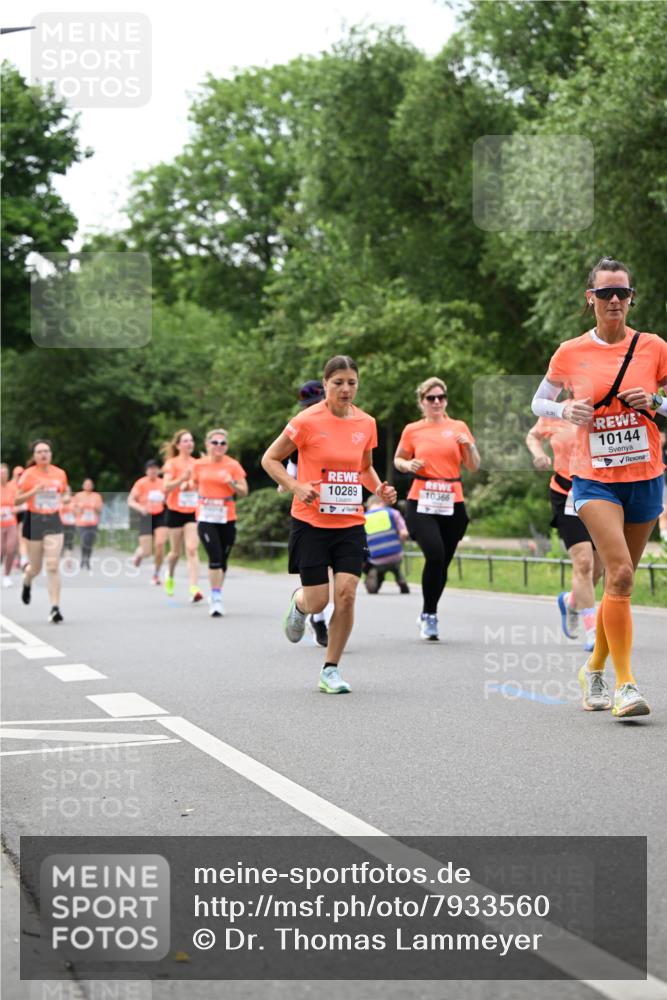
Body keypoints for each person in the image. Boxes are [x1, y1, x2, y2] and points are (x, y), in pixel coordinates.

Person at [531, 255, 667, 718]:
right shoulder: (570, 352)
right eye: (606, 293)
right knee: (623, 573)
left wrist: (656, 401)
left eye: (622, 293)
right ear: (590, 298)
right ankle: (626, 685)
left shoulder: (653, 347)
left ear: (632, 298)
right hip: (594, 478)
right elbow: (539, 400)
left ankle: (592, 668)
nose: (614, 300)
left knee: (617, 585)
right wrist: (563, 412)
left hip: (646, 475)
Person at [261, 355, 396, 694]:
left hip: (350, 521)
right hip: (311, 522)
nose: (346, 389)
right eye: (338, 383)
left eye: (352, 382)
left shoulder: (367, 423)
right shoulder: (306, 421)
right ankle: (301, 603)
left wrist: (378, 489)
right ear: (325, 385)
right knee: (320, 601)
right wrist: (295, 487)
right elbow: (270, 459)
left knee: (347, 595)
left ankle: (330, 669)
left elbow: (364, 469)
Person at [394, 377, 480, 640]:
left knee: (442, 561)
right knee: (434, 553)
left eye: (441, 397)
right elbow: (398, 459)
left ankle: (427, 611)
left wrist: (469, 445)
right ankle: (430, 616)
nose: (437, 402)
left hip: (452, 500)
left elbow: (474, 465)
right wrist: (407, 466)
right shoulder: (412, 430)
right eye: (431, 398)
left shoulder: (458, 427)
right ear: (422, 402)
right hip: (422, 499)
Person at [526, 417, 604, 651]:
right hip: (566, 493)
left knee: (597, 570)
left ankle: (570, 601)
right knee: (583, 563)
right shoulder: (554, 414)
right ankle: (592, 631)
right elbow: (532, 436)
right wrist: (538, 453)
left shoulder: (602, 408)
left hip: (600, 492)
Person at [281, 380, 331, 647]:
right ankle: (317, 618)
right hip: (311, 515)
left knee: (340, 575)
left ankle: (323, 618)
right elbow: (288, 471)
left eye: (314, 404)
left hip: (341, 515)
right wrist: (289, 484)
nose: (311, 410)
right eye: (306, 406)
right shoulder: (302, 429)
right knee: (319, 578)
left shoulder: (347, 425)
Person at [192, 428, 248, 617]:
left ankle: (216, 592)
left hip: (227, 517)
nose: (219, 446)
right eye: (215, 442)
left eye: (222, 443)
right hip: (206, 516)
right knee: (214, 557)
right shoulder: (199, 465)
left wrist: (231, 482)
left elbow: (243, 491)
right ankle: (216, 599)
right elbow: (192, 484)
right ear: (207, 445)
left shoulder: (233, 465)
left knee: (223, 560)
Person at [15, 439, 68, 623]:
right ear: (34, 456)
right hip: (34, 520)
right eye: (39, 452)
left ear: (51, 454)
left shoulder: (60, 473)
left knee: (52, 565)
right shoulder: (28, 475)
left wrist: (67, 497)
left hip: (53, 519)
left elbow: (65, 491)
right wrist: (34, 491)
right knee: (35, 568)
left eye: (46, 451)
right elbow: (16, 500)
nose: (44, 454)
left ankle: (55, 608)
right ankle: (27, 579)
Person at [161, 429, 203, 602]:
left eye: (191, 440)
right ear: (178, 445)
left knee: (192, 549)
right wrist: (182, 480)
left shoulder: (198, 463)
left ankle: (194, 588)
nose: (189, 443)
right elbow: (166, 487)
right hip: (175, 511)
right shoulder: (171, 463)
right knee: (175, 553)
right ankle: (169, 575)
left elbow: (202, 484)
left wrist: (194, 484)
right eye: (185, 441)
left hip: (193, 511)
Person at [128, 460, 168, 585]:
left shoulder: (163, 483)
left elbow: (169, 498)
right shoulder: (141, 483)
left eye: (155, 468)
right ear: (146, 471)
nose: (153, 471)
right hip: (146, 516)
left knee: (160, 544)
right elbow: (130, 500)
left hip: (160, 515)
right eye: (151, 469)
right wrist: (140, 508)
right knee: (147, 551)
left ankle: (156, 574)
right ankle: (139, 555)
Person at [363, 494, 410, 594]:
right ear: (382, 503)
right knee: (396, 567)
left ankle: (373, 577)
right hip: (395, 555)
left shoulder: (363, 519)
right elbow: (404, 533)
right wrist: (400, 544)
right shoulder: (393, 513)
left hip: (375, 559)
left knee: (370, 565)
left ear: (369, 504)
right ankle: (400, 578)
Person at [73, 478, 103, 570]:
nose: (88, 486)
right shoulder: (78, 496)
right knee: (84, 541)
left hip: (93, 522)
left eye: (90, 484)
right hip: (82, 523)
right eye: (86, 484)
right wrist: (80, 509)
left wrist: (94, 507)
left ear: (92, 486)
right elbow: (74, 509)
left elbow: (100, 510)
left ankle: (88, 560)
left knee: (90, 542)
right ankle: (83, 558)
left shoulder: (97, 496)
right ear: (83, 486)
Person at [0, 463, 19, 587]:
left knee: (11, 549)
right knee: (0, 551)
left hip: (11, 522)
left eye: (4, 473)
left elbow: (22, 503)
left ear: (8, 475)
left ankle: (6, 575)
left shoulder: (13, 487)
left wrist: (15, 509)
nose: (2, 475)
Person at [59, 490, 76, 568]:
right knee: (60, 542)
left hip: (71, 523)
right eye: (66, 491)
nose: (67, 492)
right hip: (61, 524)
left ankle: (68, 560)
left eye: (69, 490)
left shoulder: (74, 499)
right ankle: (59, 556)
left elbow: (77, 511)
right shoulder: (59, 499)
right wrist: (64, 503)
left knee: (69, 542)